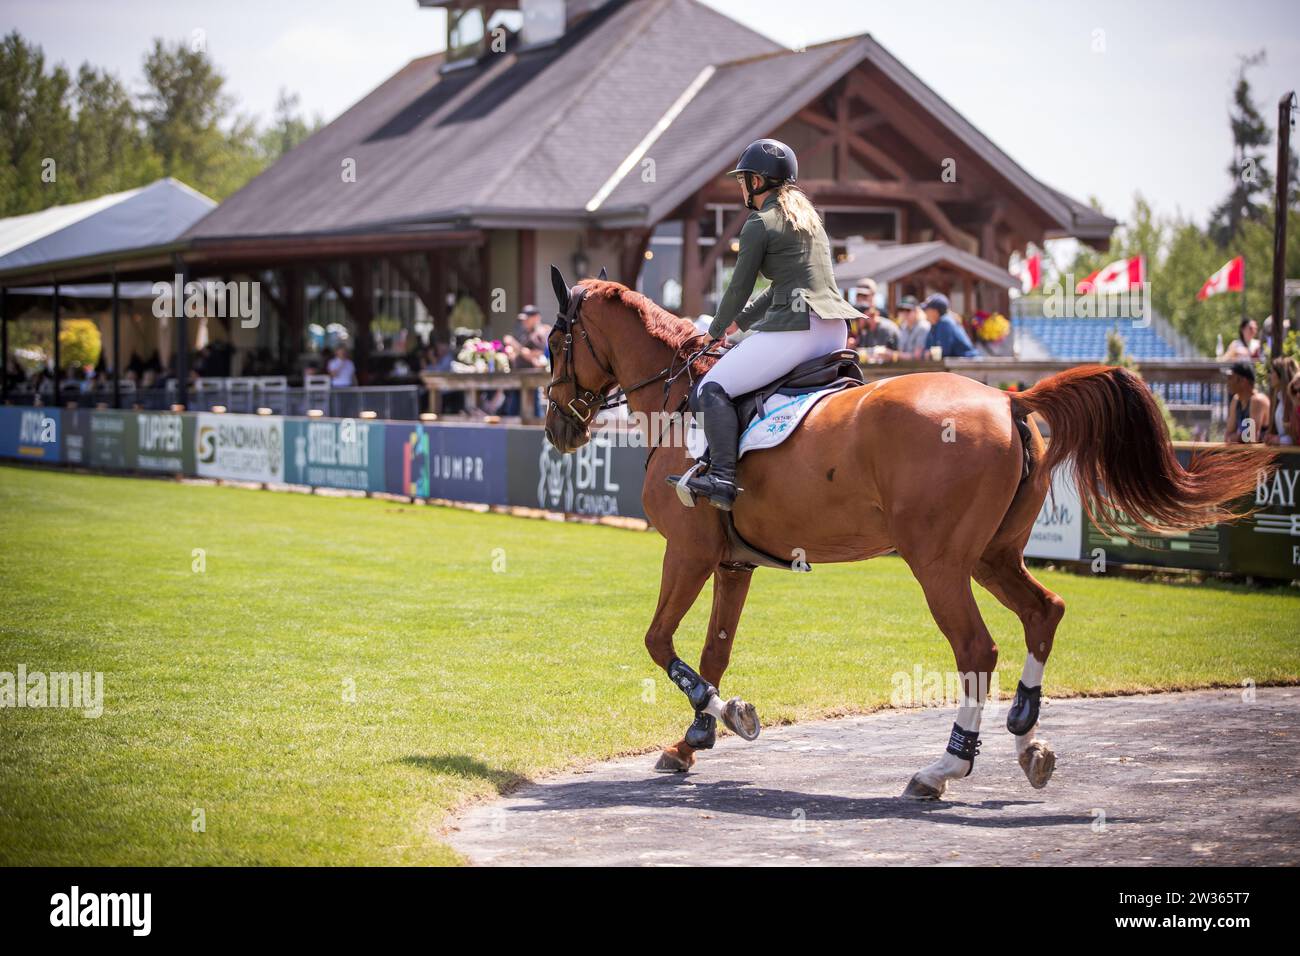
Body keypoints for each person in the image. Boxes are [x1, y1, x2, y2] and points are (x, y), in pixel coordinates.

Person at [667, 137, 861, 510]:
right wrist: (736, 324)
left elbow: (738, 288)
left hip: (798, 329)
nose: (741, 186)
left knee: (711, 388)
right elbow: (779, 290)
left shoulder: (759, 222)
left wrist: (712, 331)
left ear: (756, 182)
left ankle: (722, 478)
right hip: (835, 329)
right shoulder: (808, 222)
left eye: (743, 179)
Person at [1224, 360, 1269, 444]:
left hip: (1264, 455)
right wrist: (1239, 437)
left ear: (1243, 381)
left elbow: (1251, 437)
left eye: (1230, 378)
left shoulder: (1257, 400)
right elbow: (1227, 436)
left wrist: (1235, 437)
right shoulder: (1236, 400)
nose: (1228, 382)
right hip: (1248, 454)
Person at [921, 293, 978, 358]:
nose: (925, 312)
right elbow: (926, 350)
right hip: (955, 364)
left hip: (968, 362)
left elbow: (944, 352)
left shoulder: (945, 322)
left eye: (927, 310)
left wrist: (930, 353)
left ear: (935, 312)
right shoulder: (934, 325)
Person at [849, 279, 899, 351]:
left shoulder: (884, 315)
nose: (861, 298)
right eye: (859, 295)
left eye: (865, 295)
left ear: (873, 296)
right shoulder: (855, 315)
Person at [1264, 356, 1299, 446]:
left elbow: (1295, 438)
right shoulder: (1279, 399)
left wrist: (1279, 440)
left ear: (1281, 376)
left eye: (1272, 372)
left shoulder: (1295, 401)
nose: (1269, 376)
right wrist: (1272, 437)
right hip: (1283, 453)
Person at [893, 295, 929, 360]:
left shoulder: (922, 327)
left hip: (922, 368)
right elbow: (901, 351)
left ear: (916, 311)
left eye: (908, 310)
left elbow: (917, 356)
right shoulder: (903, 327)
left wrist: (893, 355)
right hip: (906, 367)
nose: (904, 313)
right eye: (901, 310)